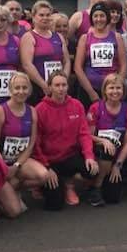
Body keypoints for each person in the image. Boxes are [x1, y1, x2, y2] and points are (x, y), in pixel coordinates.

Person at [34, 71, 98, 209]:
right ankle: (41, 184)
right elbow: (36, 143)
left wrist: (89, 156)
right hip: (50, 160)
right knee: (54, 205)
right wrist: (46, 167)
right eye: (57, 85)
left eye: (64, 85)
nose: (61, 88)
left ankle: (69, 184)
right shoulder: (40, 109)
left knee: (92, 170)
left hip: (70, 156)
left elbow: (84, 134)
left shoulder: (77, 105)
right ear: (49, 87)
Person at [0, 72, 48, 213]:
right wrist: (4, 168)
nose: (21, 91)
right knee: (14, 211)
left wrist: (16, 165)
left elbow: (31, 144)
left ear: (29, 90)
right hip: (0, 163)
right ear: (10, 90)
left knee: (43, 176)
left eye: (24, 88)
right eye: (17, 88)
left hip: (19, 161)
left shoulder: (32, 111)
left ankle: (14, 187)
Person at [87, 74, 127, 206]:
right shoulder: (95, 108)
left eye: (118, 88)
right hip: (98, 154)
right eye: (111, 88)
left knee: (113, 198)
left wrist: (118, 165)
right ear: (104, 90)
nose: (115, 91)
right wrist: (103, 141)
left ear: (123, 90)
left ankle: (104, 179)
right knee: (107, 149)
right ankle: (95, 187)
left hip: (116, 158)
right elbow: (87, 135)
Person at [75, 2, 126, 108]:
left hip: (112, 90)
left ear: (107, 17)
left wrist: (117, 86)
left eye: (102, 16)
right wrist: (90, 92)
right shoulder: (85, 38)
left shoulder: (117, 37)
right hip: (90, 88)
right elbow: (78, 68)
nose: (99, 19)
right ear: (91, 18)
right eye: (95, 16)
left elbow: (123, 65)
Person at [19, 0, 70, 105]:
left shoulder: (58, 36)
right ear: (33, 17)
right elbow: (27, 65)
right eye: (41, 15)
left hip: (58, 88)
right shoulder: (29, 37)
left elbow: (67, 61)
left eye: (48, 15)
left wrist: (62, 82)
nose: (45, 18)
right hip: (38, 88)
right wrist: (44, 85)